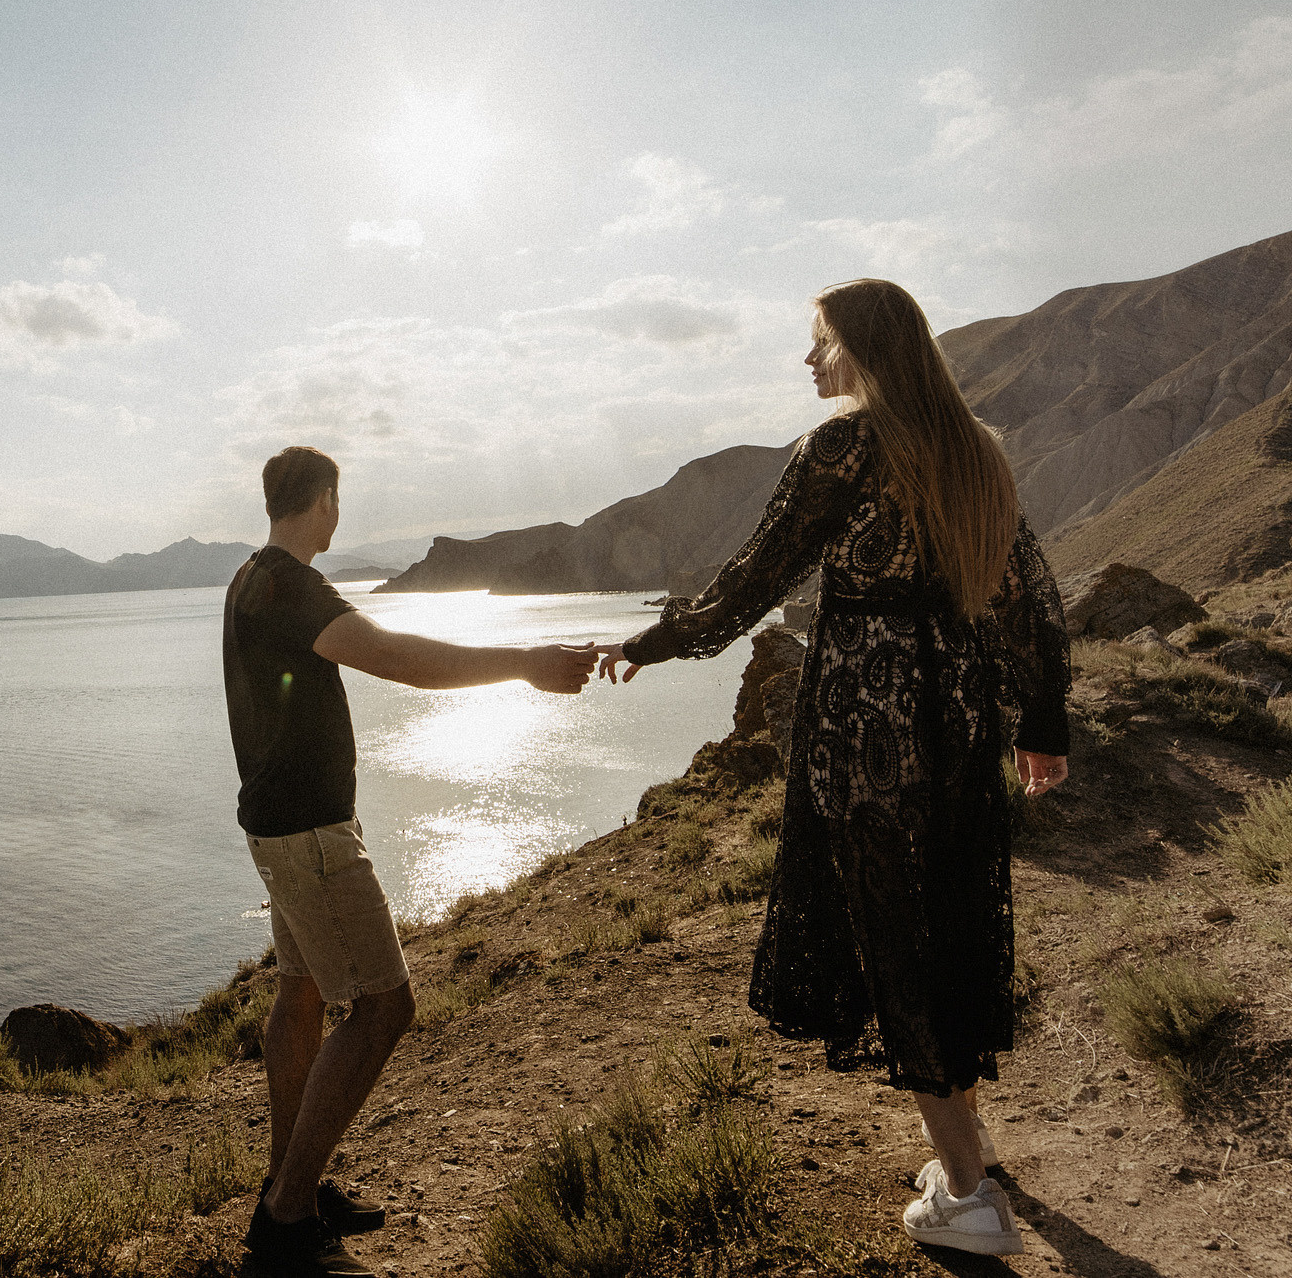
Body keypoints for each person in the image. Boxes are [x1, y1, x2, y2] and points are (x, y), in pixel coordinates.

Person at [594, 279, 1070, 1258]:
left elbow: (752, 577)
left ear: (862, 348)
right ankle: (959, 1155)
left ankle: (971, 1199)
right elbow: (1026, 596)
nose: (808, 362)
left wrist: (653, 638)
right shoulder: (976, 449)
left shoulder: (845, 449)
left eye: (819, 344)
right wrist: (1042, 717)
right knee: (943, 928)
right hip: (956, 723)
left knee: (896, 942)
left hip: (869, 731)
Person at [226, 446, 599, 1278]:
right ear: (324, 500)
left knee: (301, 993)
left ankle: (293, 1186)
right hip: (314, 836)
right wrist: (525, 665)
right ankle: (286, 1221)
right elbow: (396, 656)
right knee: (385, 1008)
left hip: (275, 825)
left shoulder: (247, 577)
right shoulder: (293, 585)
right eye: (337, 498)